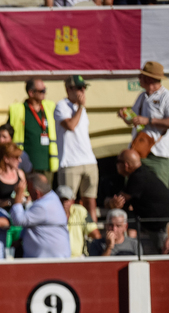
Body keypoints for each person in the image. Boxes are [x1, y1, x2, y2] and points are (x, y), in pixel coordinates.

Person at [119, 61, 169, 188]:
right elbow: (135, 120)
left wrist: (149, 120)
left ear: (149, 78)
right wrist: (126, 116)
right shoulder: (142, 96)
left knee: (160, 190)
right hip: (139, 152)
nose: (139, 78)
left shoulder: (168, 97)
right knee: (132, 187)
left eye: (141, 76)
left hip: (159, 155)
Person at [107, 148, 169, 252]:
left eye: (118, 162)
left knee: (164, 255)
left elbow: (119, 202)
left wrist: (107, 202)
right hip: (159, 223)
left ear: (126, 165)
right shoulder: (142, 172)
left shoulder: (138, 178)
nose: (116, 165)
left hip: (161, 226)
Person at [53, 75, 97, 223]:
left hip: (89, 161)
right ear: (68, 89)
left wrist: (80, 107)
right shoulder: (61, 106)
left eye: (84, 87)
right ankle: (66, 236)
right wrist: (81, 107)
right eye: (79, 88)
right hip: (70, 163)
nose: (83, 91)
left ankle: (93, 238)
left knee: (90, 202)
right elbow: (71, 125)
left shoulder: (80, 109)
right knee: (67, 204)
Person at [10, 173, 70, 259]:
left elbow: (18, 220)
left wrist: (18, 196)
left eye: (29, 191)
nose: (28, 194)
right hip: (48, 260)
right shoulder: (51, 197)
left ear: (37, 193)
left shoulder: (43, 206)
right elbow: (32, 223)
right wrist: (21, 238)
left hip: (51, 262)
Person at [8, 78, 58, 180]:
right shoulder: (18, 109)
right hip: (26, 164)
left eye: (45, 90)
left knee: (45, 194)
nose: (45, 93)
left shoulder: (49, 107)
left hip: (47, 164)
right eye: (41, 91)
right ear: (31, 93)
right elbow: (8, 132)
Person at [56, 184, 94, 259]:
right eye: (61, 199)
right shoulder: (49, 213)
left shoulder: (80, 211)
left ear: (72, 201)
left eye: (66, 199)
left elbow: (94, 233)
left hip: (78, 258)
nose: (64, 203)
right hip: (57, 257)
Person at [0, 144, 24, 210]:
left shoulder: (20, 173)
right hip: (1, 214)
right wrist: (8, 202)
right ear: (6, 159)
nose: (20, 160)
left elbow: (24, 194)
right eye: (16, 157)